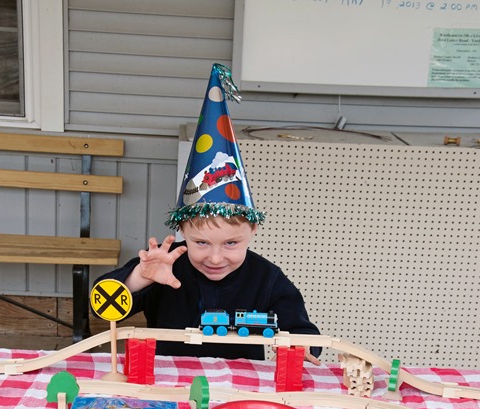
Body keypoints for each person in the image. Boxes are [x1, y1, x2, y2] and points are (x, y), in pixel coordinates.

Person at [96, 63, 321, 362]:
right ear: (182, 231)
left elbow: (305, 334)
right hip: (168, 380)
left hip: (239, 384)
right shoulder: (164, 264)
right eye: (201, 242)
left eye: (231, 243)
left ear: (252, 231)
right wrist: (140, 277)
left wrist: (302, 349)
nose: (215, 258)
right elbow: (101, 305)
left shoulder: (266, 277)